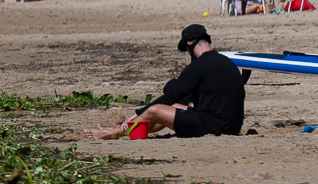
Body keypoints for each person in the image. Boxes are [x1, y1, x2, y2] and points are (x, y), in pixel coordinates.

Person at [82, 25, 245, 140]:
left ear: (189, 43)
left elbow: (172, 96)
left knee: (154, 110)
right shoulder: (226, 62)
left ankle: (115, 133)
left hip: (214, 128)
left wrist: (138, 113)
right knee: (170, 108)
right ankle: (135, 129)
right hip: (231, 127)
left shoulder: (199, 65)